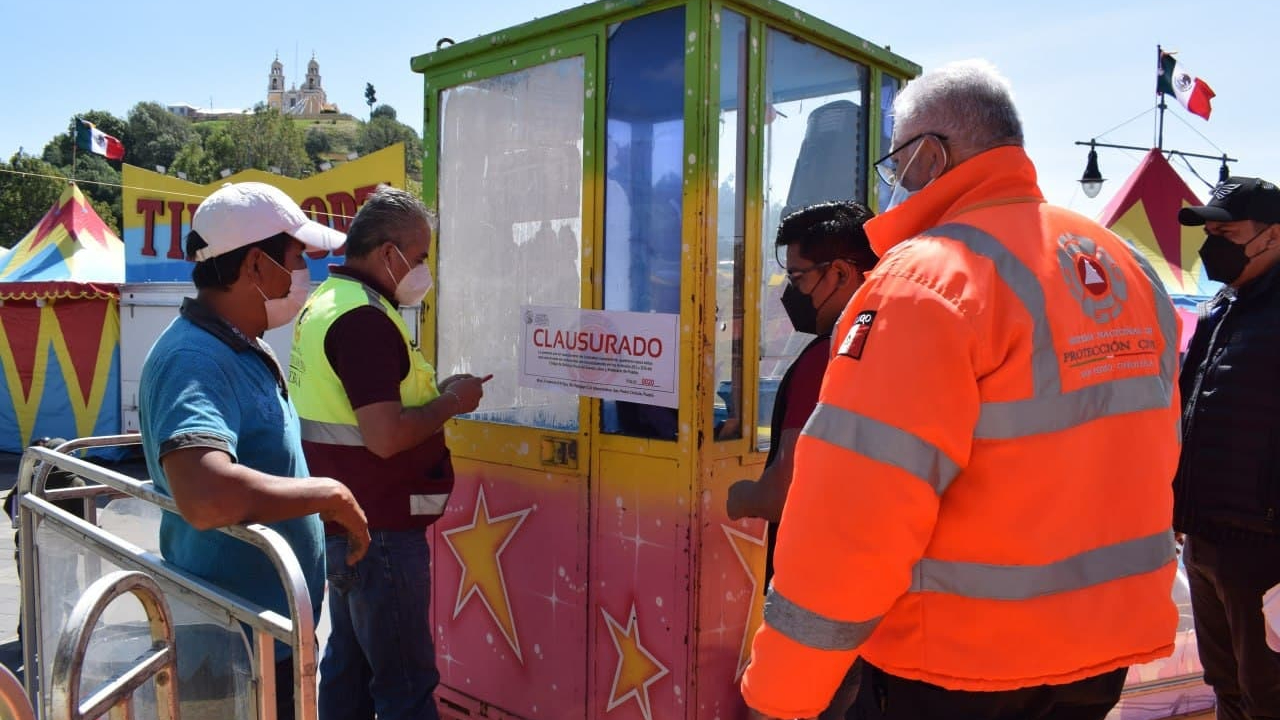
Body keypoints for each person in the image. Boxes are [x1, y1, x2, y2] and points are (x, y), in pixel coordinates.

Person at [740, 59, 1182, 720]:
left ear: (931, 153)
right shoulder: (1124, 266)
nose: (894, 184)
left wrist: (782, 691)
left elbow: (854, 516)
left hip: (964, 668)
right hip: (1100, 657)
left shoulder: (924, 282)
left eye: (897, 165)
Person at [138, 181, 370, 720]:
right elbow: (204, 494)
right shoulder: (194, 360)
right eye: (295, 258)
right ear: (256, 267)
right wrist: (326, 495)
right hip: (231, 646)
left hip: (265, 635)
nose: (304, 273)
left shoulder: (238, 343)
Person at [288, 186, 485, 720]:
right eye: (418, 258)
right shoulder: (364, 320)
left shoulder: (329, 303)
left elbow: (368, 407)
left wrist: (435, 394)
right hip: (381, 533)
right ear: (387, 253)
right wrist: (452, 401)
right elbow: (385, 435)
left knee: (348, 672)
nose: (422, 270)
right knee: (404, 686)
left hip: (347, 521)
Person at [727, 200, 877, 720]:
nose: (791, 291)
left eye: (798, 275)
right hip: (878, 598)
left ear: (841, 271)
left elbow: (781, 493)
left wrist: (738, 495)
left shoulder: (830, 355)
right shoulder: (898, 339)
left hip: (819, 599)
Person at [1175, 176, 1280, 720]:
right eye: (1208, 232)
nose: (1211, 245)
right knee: (1227, 689)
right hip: (1204, 535)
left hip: (1264, 549)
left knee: (1267, 693)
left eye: (1226, 232)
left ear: (1273, 236)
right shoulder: (1220, 308)